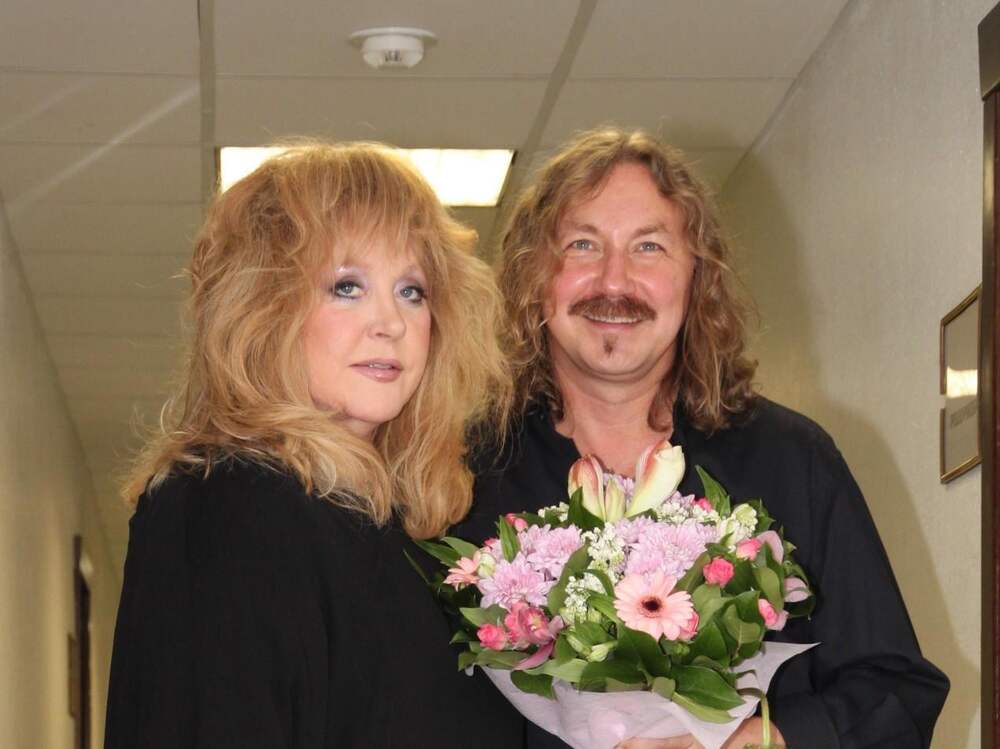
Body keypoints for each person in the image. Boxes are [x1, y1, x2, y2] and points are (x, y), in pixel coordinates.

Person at [458, 128, 949, 749]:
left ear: (697, 278)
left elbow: (898, 695)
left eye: (649, 246)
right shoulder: (462, 475)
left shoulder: (791, 459)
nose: (614, 280)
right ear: (534, 276)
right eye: (582, 245)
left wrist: (763, 741)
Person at [104, 142, 521, 748]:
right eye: (347, 286)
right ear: (264, 307)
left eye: (413, 291)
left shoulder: (410, 538)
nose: (391, 323)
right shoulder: (228, 502)